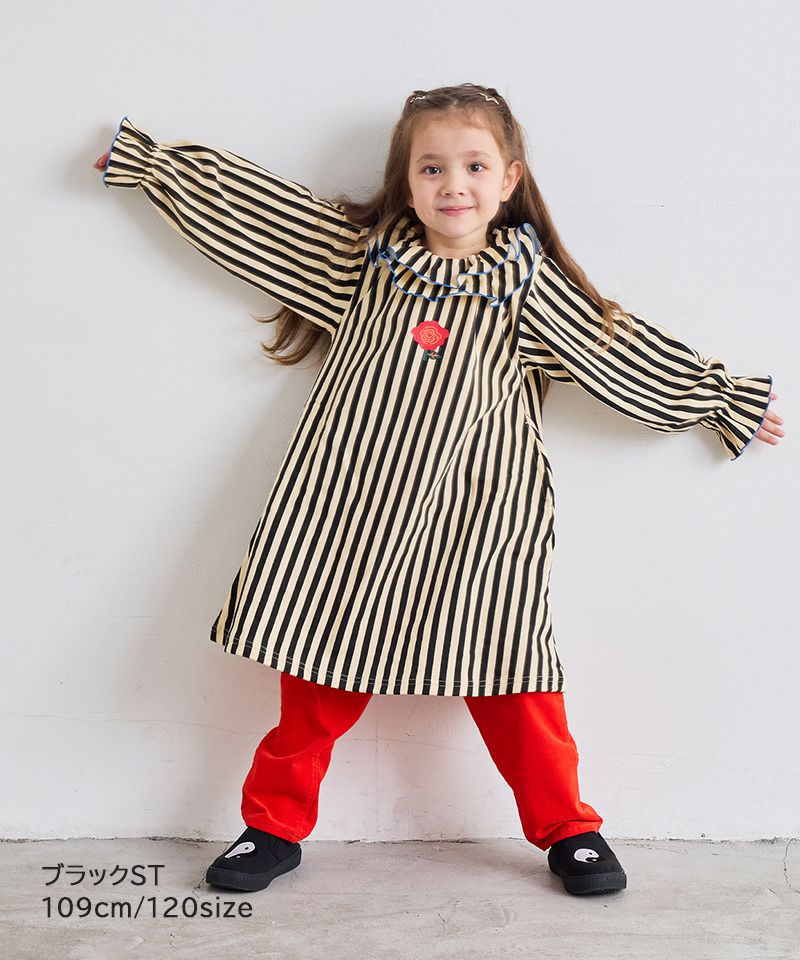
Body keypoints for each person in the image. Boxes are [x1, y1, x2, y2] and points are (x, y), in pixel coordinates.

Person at [93, 83, 783, 898]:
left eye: (474, 166)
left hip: (479, 520)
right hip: (350, 514)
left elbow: (616, 352)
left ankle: (570, 828)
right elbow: (259, 217)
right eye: (432, 168)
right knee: (315, 676)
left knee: (515, 678)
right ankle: (272, 826)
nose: (453, 184)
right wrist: (152, 165)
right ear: (407, 181)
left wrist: (721, 398)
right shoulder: (363, 264)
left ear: (509, 178)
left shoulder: (528, 286)